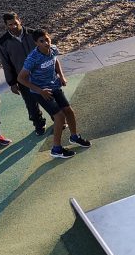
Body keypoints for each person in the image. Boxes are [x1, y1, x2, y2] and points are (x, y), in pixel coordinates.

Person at [17, 29, 91, 160]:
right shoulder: (32, 59)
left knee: (69, 111)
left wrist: (61, 76)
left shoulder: (53, 49)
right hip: (41, 91)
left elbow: (55, 60)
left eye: (47, 39)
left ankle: (74, 137)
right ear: (36, 43)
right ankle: (56, 149)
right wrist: (40, 91)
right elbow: (21, 78)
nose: (46, 42)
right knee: (59, 116)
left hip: (55, 85)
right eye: (42, 41)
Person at [0, 12, 47, 136]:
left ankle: (56, 118)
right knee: (31, 104)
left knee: (48, 97)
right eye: (10, 25)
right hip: (23, 78)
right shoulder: (3, 41)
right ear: (6, 26)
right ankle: (39, 124)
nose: (14, 26)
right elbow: (6, 63)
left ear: (20, 20)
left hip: (40, 74)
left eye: (15, 23)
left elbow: (46, 50)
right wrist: (12, 82)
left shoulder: (32, 34)